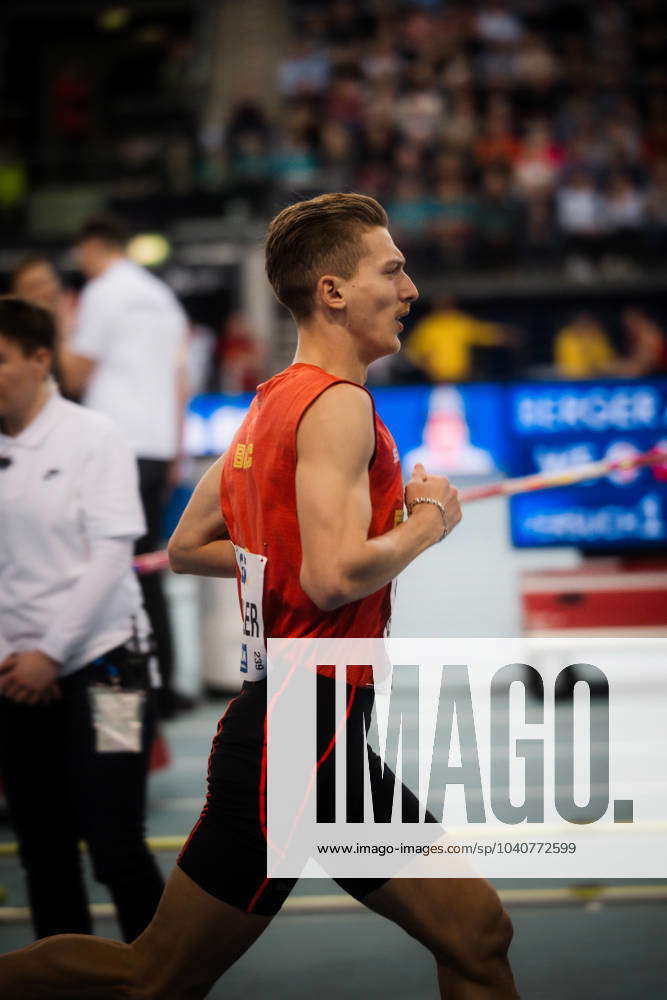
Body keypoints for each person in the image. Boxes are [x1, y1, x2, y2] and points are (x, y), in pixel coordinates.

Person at [0, 193, 518, 999]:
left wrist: (303, 559)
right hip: (295, 731)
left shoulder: (270, 401)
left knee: (477, 936)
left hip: (317, 731)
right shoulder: (338, 405)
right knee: (155, 977)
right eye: (392, 268)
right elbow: (333, 576)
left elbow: (188, 546)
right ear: (332, 292)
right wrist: (427, 521)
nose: (410, 288)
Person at [0, 297, 164, 943]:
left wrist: (49, 652)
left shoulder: (95, 436)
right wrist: (13, 658)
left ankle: (164, 982)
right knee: (43, 854)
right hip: (16, 679)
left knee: (115, 842)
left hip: (110, 670)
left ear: (41, 361)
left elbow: (110, 558)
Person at [57, 217, 190, 717]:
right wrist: (175, 450)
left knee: (111, 572)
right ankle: (164, 687)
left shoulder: (102, 294)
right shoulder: (162, 298)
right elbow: (181, 379)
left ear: (92, 248)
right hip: (156, 443)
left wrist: (63, 324)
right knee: (147, 565)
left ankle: (128, 704)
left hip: (112, 443)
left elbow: (73, 372)